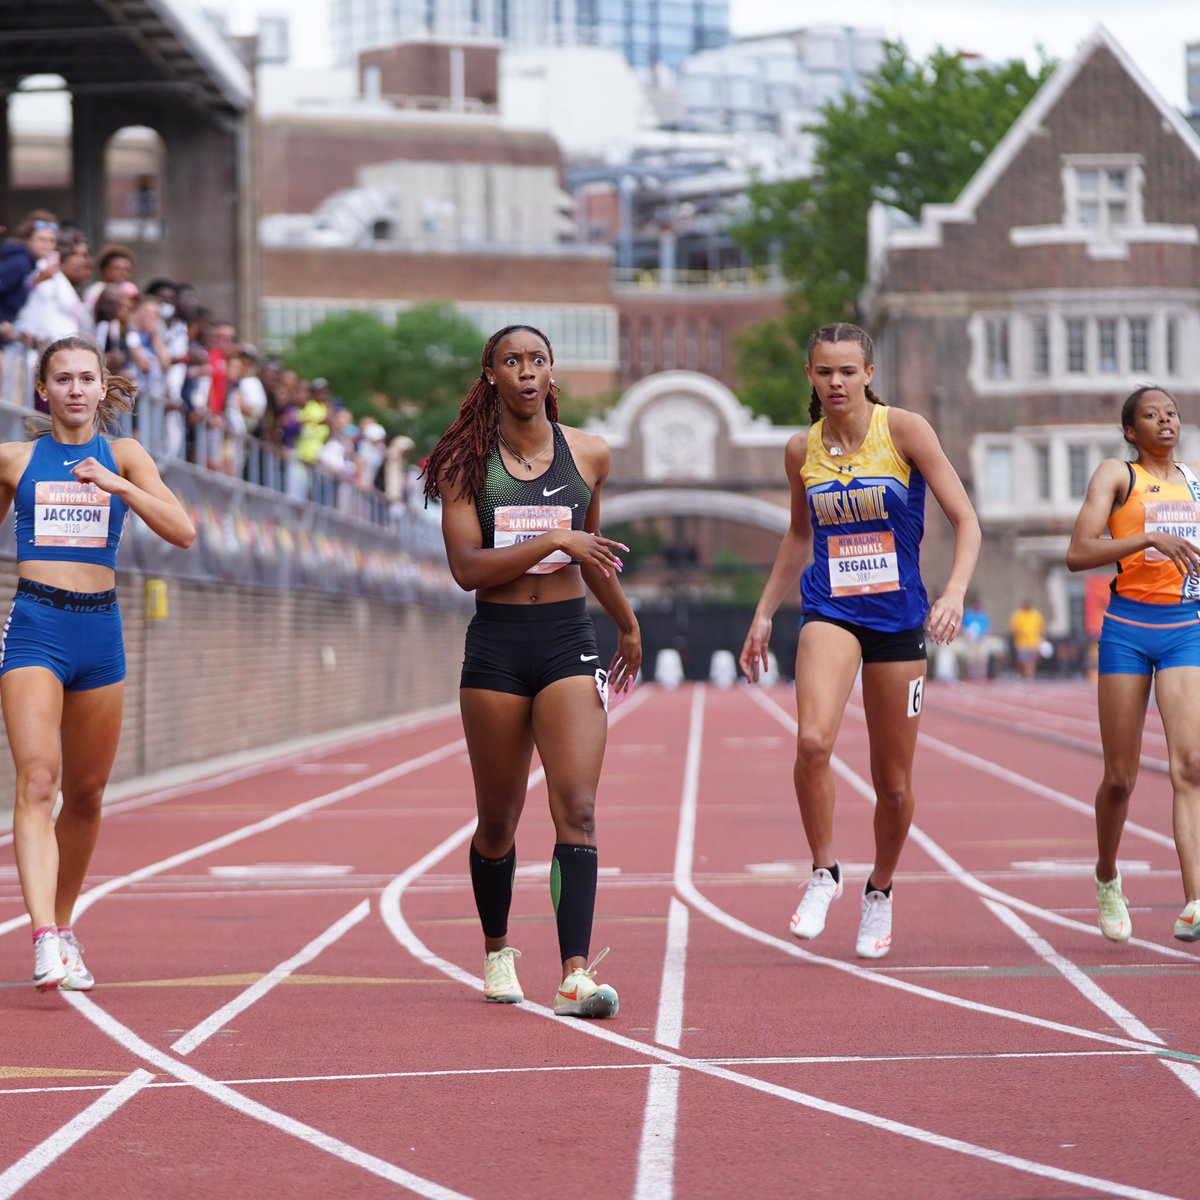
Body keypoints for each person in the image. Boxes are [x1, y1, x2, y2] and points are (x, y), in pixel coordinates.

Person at [739, 322, 980, 959]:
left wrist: (953, 592)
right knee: (813, 739)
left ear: (868, 373)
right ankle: (825, 872)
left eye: (848, 371)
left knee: (893, 784)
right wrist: (765, 613)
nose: (836, 382)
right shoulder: (802, 450)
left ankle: (880, 889)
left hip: (899, 623)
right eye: (825, 372)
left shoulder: (904, 431)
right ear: (810, 377)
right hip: (830, 611)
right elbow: (797, 536)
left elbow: (965, 520)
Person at [422, 323, 641, 1016]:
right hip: (498, 645)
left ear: (552, 374)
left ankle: (576, 973)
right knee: (498, 820)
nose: (525, 372)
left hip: (567, 639)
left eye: (537, 360)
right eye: (511, 361)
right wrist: (550, 536)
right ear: (490, 374)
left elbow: (592, 553)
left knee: (577, 806)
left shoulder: (591, 454)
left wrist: (629, 624)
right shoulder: (464, 463)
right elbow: (466, 570)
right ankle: (496, 950)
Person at [0, 335, 195, 991]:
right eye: (64, 379)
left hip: (100, 630)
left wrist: (116, 484)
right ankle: (44, 937)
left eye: (88, 378)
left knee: (84, 795)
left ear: (103, 390)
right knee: (38, 780)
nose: (76, 389)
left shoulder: (126, 455)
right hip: (35, 626)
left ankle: (64, 922)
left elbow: (183, 530)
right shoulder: (16, 458)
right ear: (43, 391)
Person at [1066, 385, 1200, 944]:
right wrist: (1145, 536)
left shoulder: (1195, 481)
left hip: (1185, 628)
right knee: (1119, 779)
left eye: (1170, 413)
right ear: (1130, 430)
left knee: (1191, 764)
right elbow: (1078, 552)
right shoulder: (1116, 476)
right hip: (1127, 629)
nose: (1164, 422)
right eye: (1150, 415)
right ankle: (1106, 875)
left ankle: (1194, 901)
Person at [1008, 599, 1046, 680]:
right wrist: (1020, 632)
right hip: (1022, 642)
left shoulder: (1036, 614)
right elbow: (1013, 627)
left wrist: (1042, 639)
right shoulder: (1018, 614)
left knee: (1031, 660)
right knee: (1022, 660)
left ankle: (1030, 675)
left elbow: (1041, 627)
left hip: (1033, 641)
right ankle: (1021, 674)